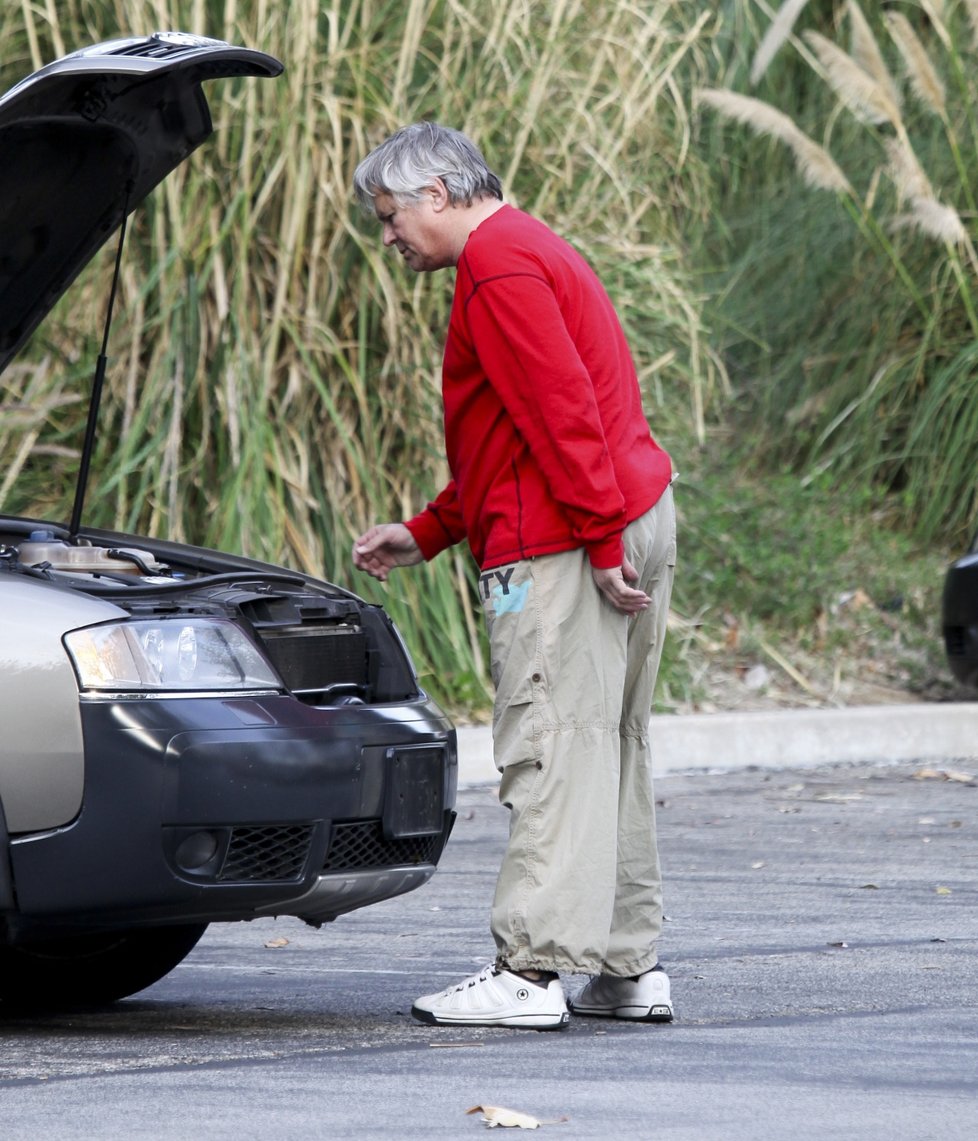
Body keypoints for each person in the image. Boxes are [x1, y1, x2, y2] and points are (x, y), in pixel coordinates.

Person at [351, 122, 676, 1030]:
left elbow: (561, 409)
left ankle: (530, 973)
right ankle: (627, 966)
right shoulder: (532, 247)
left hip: (569, 539)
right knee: (612, 742)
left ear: (440, 194)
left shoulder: (495, 267)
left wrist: (599, 541)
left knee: (551, 739)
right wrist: (431, 530)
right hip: (624, 510)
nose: (388, 237)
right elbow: (517, 429)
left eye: (391, 217)